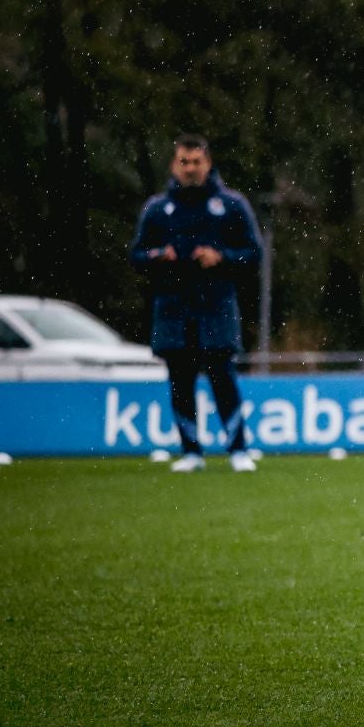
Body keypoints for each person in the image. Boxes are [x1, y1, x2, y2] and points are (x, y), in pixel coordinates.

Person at [127, 135, 265, 473]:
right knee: (180, 380)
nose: (190, 169)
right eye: (184, 162)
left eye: (196, 162)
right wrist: (159, 256)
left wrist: (222, 257)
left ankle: (238, 449)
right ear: (174, 165)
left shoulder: (230, 205)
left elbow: (254, 253)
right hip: (173, 308)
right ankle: (191, 452)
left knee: (222, 376)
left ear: (208, 163)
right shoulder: (158, 209)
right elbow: (136, 256)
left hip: (216, 305)